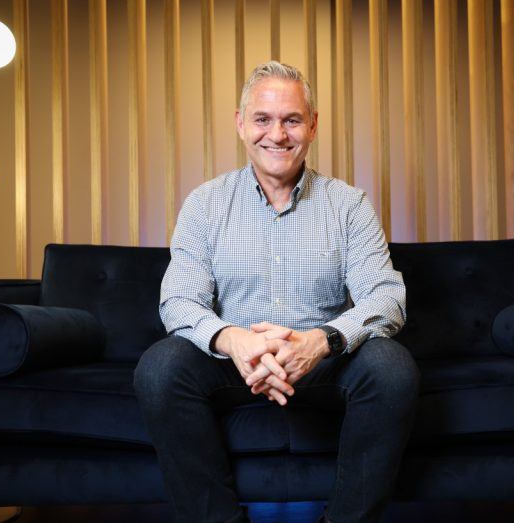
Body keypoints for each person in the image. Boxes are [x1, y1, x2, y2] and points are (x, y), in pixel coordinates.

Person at [134, 61, 420, 523]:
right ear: (241, 124)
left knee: (392, 367)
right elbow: (179, 300)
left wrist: (320, 341)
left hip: (321, 364)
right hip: (234, 365)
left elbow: (386, 297)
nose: (277, 135)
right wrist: (235, 341)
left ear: (312, 125)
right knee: (159, 368)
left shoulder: (348, 204)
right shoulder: (205, 203)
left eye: (291, 120)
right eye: (263, 119)